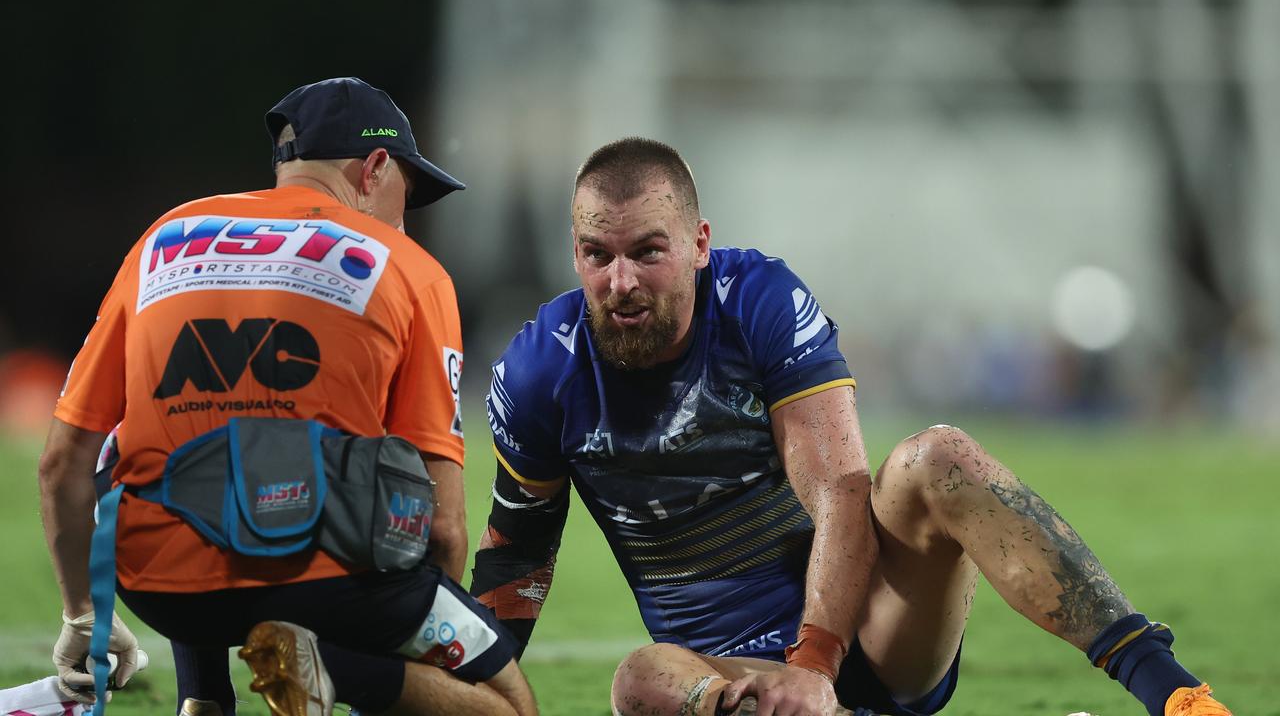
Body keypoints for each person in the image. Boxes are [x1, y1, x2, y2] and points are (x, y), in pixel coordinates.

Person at [469, 136, 1231, 716]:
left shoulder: (758, 299)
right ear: (575, 254)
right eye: (598, 255)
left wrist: (817, 661)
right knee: (639, 679)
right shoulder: (541, 371)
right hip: (734, 676)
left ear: (699, 245)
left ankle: (1178, 697)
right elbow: (516, 557)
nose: (621, 280)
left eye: (648, 252)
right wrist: (477, 693)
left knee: (938, 457)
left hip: (867, 629)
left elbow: (838, 486)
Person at [39, 77, 537, 716]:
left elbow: (63, 463)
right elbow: (442, 524)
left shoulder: (165, 235)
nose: (402, 220)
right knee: (512, 706)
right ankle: (325, 668)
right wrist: (394, 650)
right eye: (405, 197)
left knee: (174, 445)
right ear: (375, 167)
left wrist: (84, 614)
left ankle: (204, 697)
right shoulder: (409, 267)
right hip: (322, 580)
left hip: (159, 584)